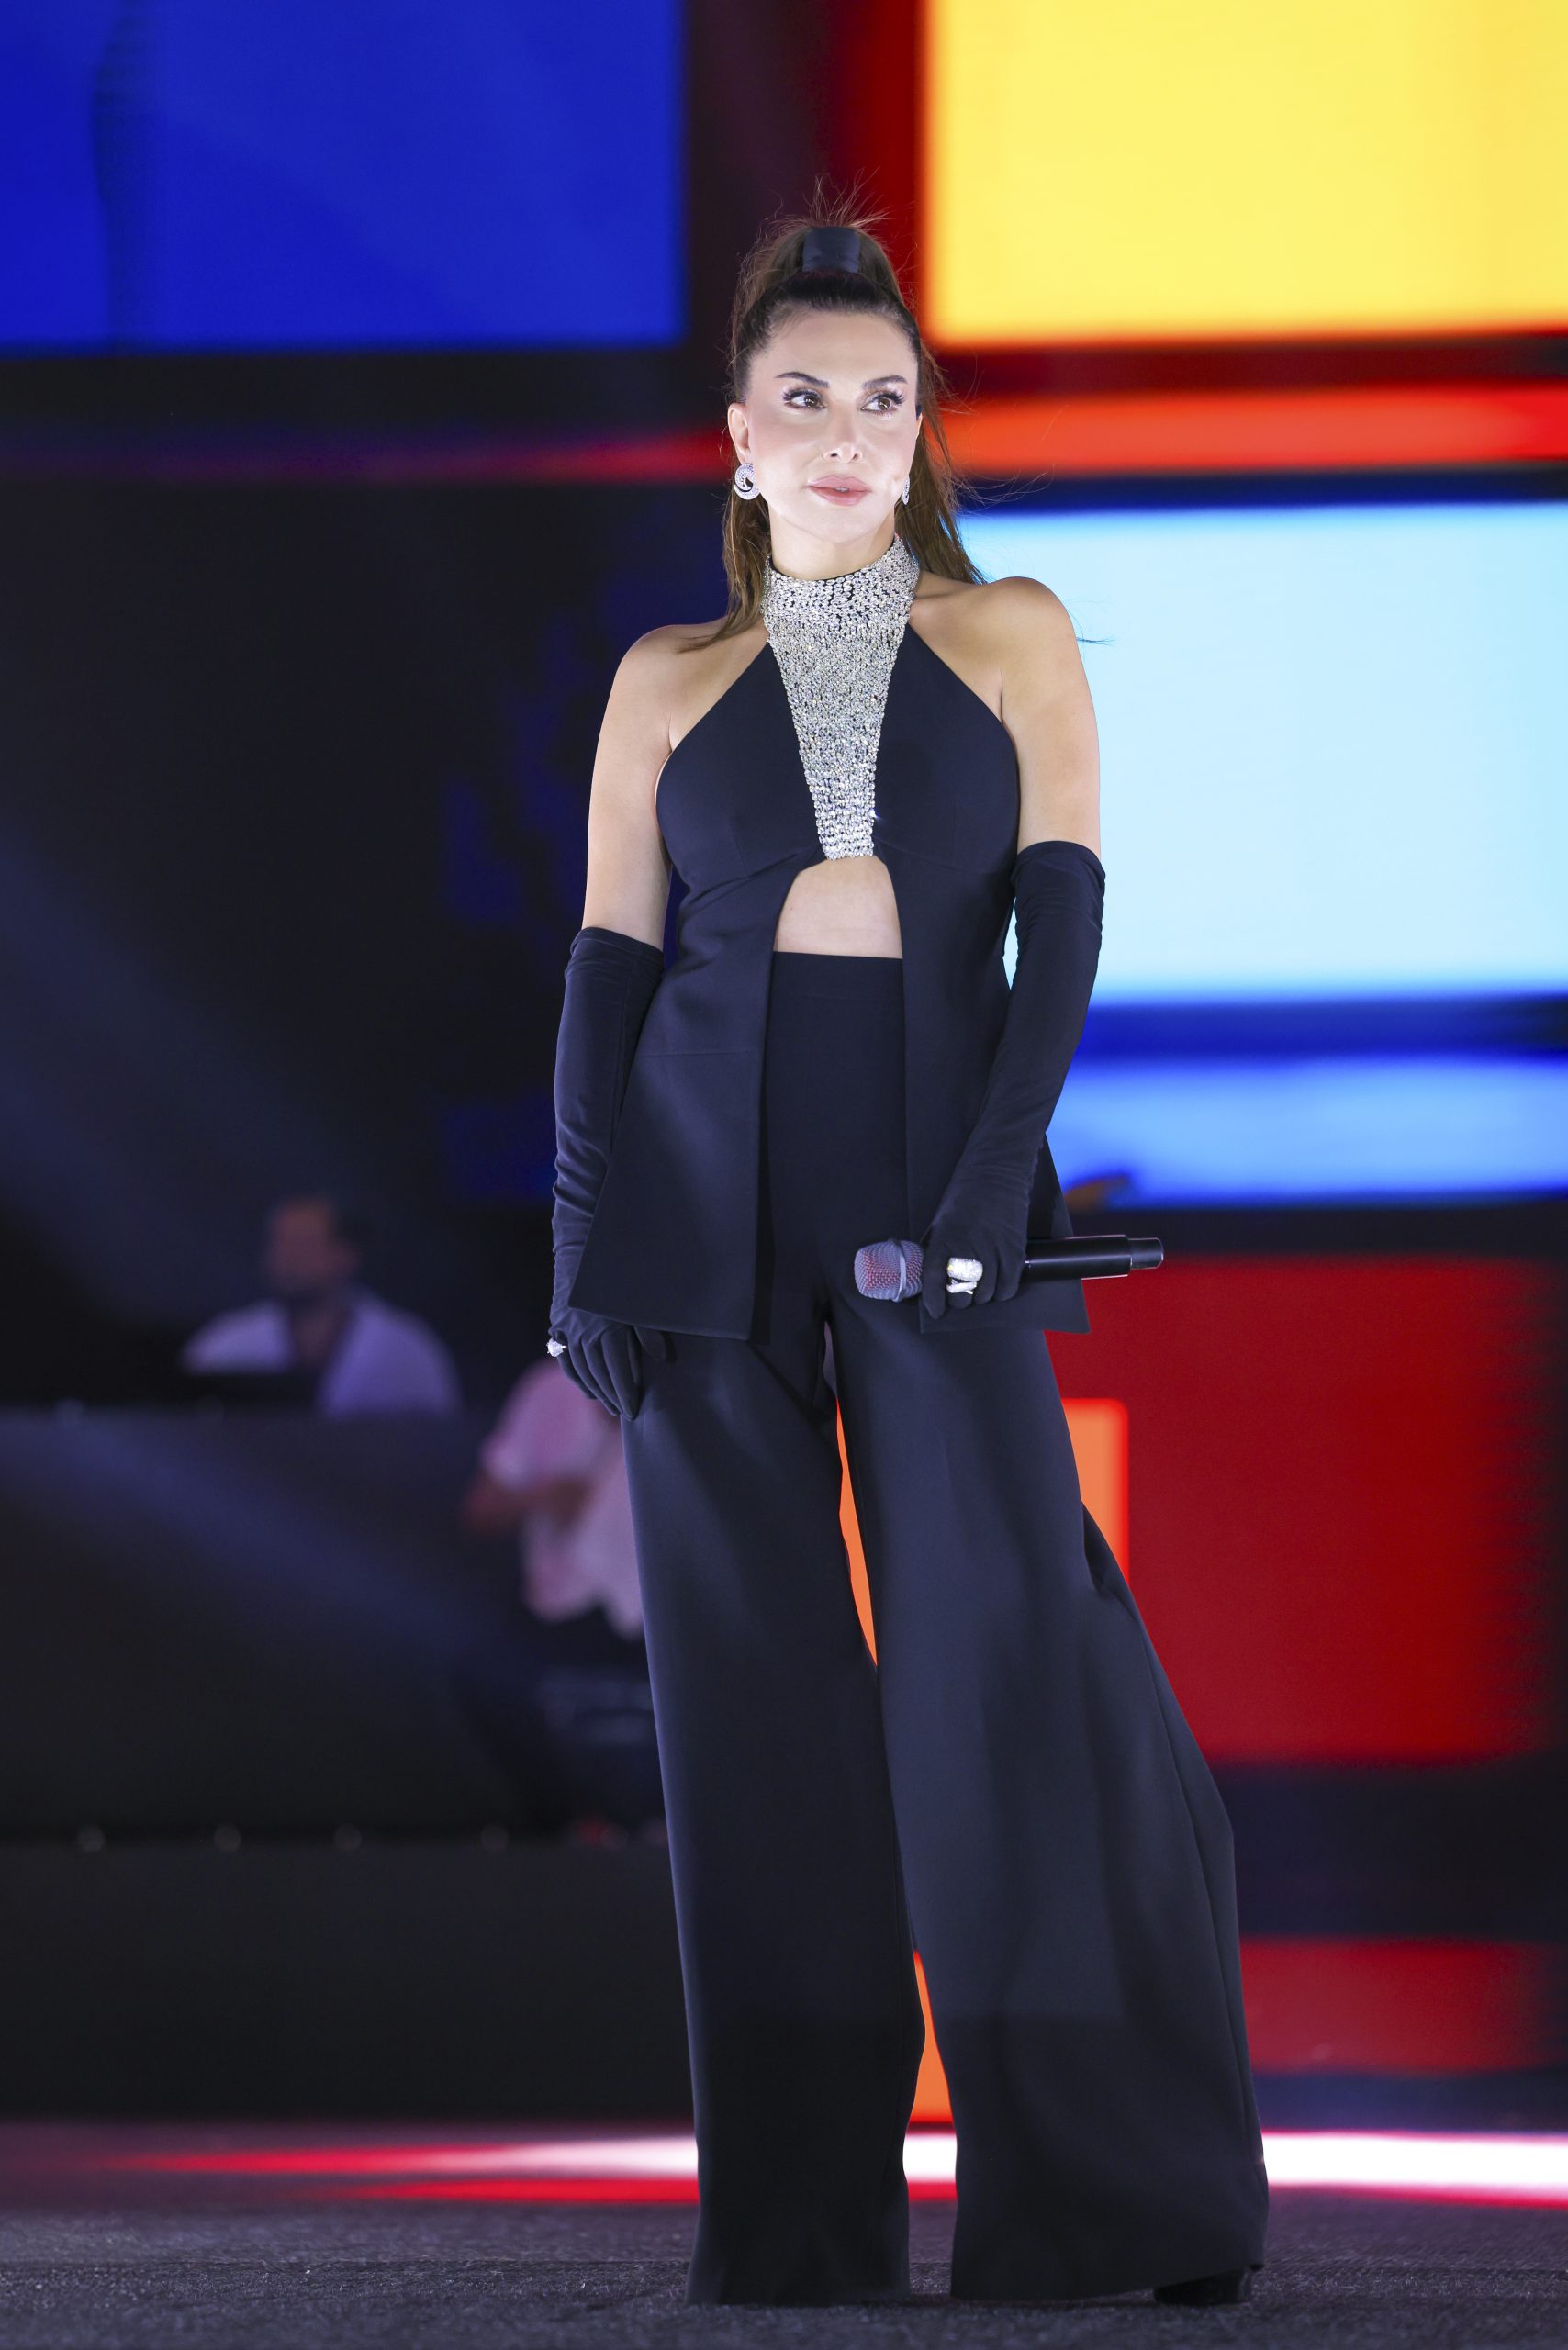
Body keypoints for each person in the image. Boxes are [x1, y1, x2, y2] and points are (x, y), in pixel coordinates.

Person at [547, 211, 1270, 2309]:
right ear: (740, 435)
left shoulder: (1009, 632)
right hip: (696, 1222)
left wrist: (983, 1190)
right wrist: (582, 1246)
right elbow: (603, 978)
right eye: (803, 395)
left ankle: (1106, 2199)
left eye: (881, 395)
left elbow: (1063, 930)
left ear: (920, 426)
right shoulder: (662, 682)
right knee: (752, 1729)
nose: (844, 428)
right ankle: (795, 2227)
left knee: (1005, 1684)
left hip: (935, 1204)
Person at [451, 1354, 662, 1836]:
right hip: (562, 1612)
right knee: (482, 1681)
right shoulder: (549, 1387)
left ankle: (664, 1828)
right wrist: (543, 1496)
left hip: (656, 1622)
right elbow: (480, 1510)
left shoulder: (686, 1380)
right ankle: (567, 1829)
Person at [181, 1192, 460, 1415]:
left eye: (304, 1244)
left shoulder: (406, 1348)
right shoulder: (225, 1344)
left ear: (346, 1255)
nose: (289, 1258)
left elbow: (438, 1439)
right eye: (280, 1243)